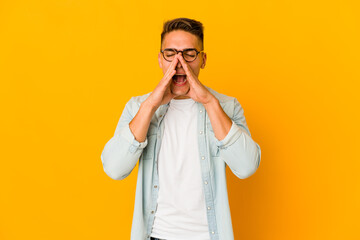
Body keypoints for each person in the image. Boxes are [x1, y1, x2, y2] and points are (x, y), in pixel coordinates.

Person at [101, 18, 261, 240]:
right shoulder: (138, 107)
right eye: (171, 53)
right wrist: (151, 105)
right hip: (155, 235)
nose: (179, 62)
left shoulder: (226, 106)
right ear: (160, 59)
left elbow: (246, 167)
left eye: (189, 54)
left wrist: (209, 103)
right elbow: (114, 169)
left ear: (203, 60)